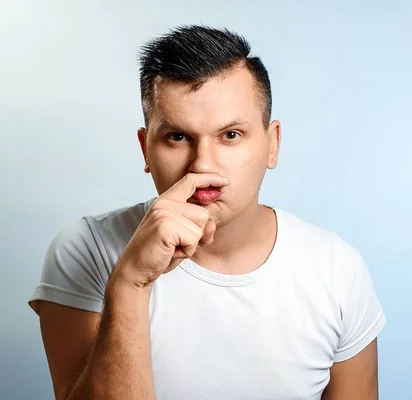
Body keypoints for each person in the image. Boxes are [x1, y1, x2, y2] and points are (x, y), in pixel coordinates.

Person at [28, 25, 386, 400]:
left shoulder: (336, 268)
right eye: (177, 137)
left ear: (272, 144)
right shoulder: (86, 249)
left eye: (230, 135)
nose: (202, 165)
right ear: (145, 150)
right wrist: (130, 282)